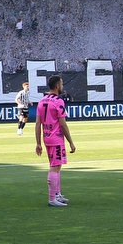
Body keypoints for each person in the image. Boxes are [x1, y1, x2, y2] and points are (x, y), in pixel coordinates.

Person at [35, 75, 76, 207]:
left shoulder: (42, 101)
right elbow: (63, 124)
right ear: (57, 86)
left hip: (46, 137)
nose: (62, 86)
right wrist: (70, 141)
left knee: (56, 165)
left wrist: (38, 143)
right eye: (62, 84)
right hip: (56, 137)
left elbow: (37, 124)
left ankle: (57, 194)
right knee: (54, 167)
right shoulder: (58, 101)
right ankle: (52, 198)